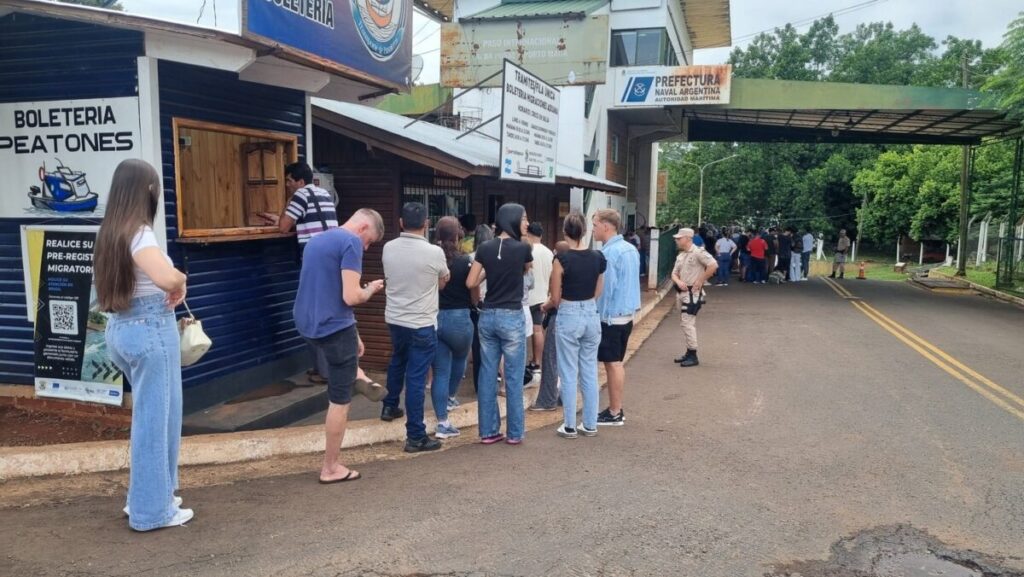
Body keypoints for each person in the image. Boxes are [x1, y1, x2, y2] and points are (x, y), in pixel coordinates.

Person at [94, 159, 190, 531]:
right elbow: (166, 278)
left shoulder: (110, 231)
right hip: (151, 329)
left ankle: (152, 496)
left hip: (122, 327)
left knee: (157, 417)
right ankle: (153, 511)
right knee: (156, 421)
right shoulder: (140, 233)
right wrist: (180, 278)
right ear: (147, 191)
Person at [293, 208, 385, 483]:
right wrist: (371, 289)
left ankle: (357, 373)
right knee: (339, 399)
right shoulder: (351, 242)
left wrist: (354, 333)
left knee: (343, 358)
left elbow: (327, 289)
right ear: (363, 227)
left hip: (306, 323)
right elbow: (351, 295)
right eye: (370, 241)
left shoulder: (317, 240)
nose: (366, 247)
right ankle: (331, 467)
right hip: (333, 326)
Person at [261, 162, 339, 385]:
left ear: (300, 181)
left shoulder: (299, 195)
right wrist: (281, 219)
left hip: (314, 260)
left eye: (288, 181)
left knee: (312, 313)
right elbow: (308, 222)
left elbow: (285, 227)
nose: (286, 185)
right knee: (324, 311)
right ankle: (326, 367)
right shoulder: (323, 193)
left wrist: (283, 213)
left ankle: (324, 371)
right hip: (331, 258)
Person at [381, 202, 449, 453]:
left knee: (397, 361)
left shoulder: (388, 248)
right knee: (417, 379)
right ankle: (416, 436)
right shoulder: (434, 253)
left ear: (400, 222)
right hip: (421, 323)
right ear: (427, 224)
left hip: (395, 319)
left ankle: (389, 405)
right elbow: (442, 283)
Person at [467, 203, 532, 445]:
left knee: (487, 373)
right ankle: (514, 433)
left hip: (488, 316)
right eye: (524, 218)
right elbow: (526, 271)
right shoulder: (523, 249)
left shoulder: (484, 247)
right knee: (513, 377)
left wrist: (489, 273)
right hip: (512, 315)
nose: (526, 222)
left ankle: (488, 431)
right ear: (513, 220)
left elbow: (470, 282)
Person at [544, 211, 605, 438]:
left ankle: (569, 425)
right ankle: (590, 424)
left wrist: (548, 305)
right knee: (589, 370)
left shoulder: (561, 260)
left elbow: (556, 296)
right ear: (585, 231)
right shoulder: (598, 257)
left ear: (564, 232)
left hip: (568, 313)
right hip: (591, 312)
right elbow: (599, 289)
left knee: (568, 371)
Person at [593, 208, 641, 426]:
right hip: (627, 314)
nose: (593, 229)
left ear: (606, 225)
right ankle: (615, 409)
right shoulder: (631, 249)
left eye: (595, 225)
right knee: (616, 362)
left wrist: (595, 313)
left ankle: (614, 411)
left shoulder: (609, 253)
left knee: (612, 364)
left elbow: (606, 288)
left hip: (611, 317)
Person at [430, 217, 476, 440]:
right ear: (458, 235)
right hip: (459, 318)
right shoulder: (464, 260)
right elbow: (473, 291)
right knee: (460, 359)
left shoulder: (431, 257)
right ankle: (450, 397)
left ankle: (442, 422)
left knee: (439, 371)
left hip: (434, 316)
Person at [528, 240, 571, 412]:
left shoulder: (559, 266)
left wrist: (544, 306)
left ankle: (547, 399)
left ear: (555, 253)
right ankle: (564, 395)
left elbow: (555, 297)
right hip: (575, 316)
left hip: (558, 316)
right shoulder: (578, 266)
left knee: (550, 358)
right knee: (567, 360)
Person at [671, 228, 718, 367]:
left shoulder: (698, 252)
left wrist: (700, 280)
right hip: (681, 292)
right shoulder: (681, 255)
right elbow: (674, 273)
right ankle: (689, 351)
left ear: (688, 238)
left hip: (692, 294)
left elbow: (713, 265)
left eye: (679, 238)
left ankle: (693, 354)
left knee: (687, 323)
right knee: (684, 323)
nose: (677, 240)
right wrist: (678, 281)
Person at [525, 222, 553, 374]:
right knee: (538, 329)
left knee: (523, 332)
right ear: (541, 235)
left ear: (528, 234)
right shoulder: (549, 252)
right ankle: (537, 362)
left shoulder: (527, 251)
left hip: (527, 297)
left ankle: (524, 363)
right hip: (542, 296)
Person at [468, 224, 494, 393]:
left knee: (477, 347)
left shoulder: (470, 258)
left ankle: (479, 384)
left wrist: (474, 302)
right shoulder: (495, 256)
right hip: (491, 304)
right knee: (491, 349)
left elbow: (471, 285)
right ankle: (490, 384)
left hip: (475, 305)